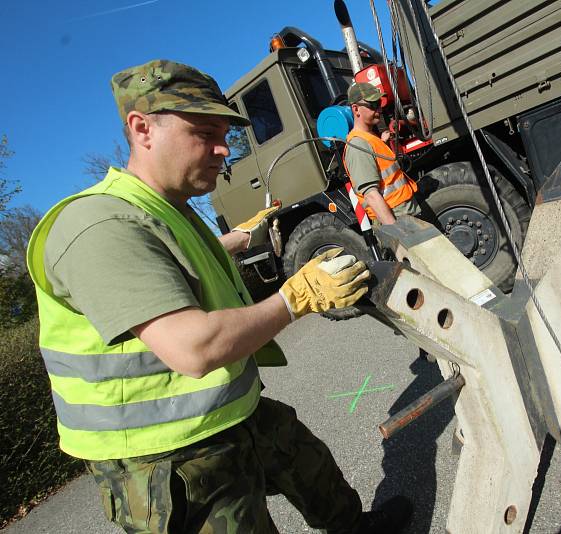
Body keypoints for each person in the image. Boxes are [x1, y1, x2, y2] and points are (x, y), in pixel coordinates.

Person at [26, 59, 411, 533]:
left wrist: (237, 240)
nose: (221, 149)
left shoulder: (166, 212)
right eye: (205, 131)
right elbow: (193, 347)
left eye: (225, 134)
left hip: (227, 414)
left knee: (311, 468)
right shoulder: (99, 227)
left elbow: (171, 266)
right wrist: (296, 297)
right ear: (142, 128)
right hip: (167, 460)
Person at [343, 83, 421, 225]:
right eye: (373, 105)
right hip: (396, 220)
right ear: (355, 109)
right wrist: (398, 234)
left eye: (379, 103)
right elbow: (371, 196)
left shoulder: (370, 138)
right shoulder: (358, 145)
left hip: (403, 215)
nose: (378, 108)